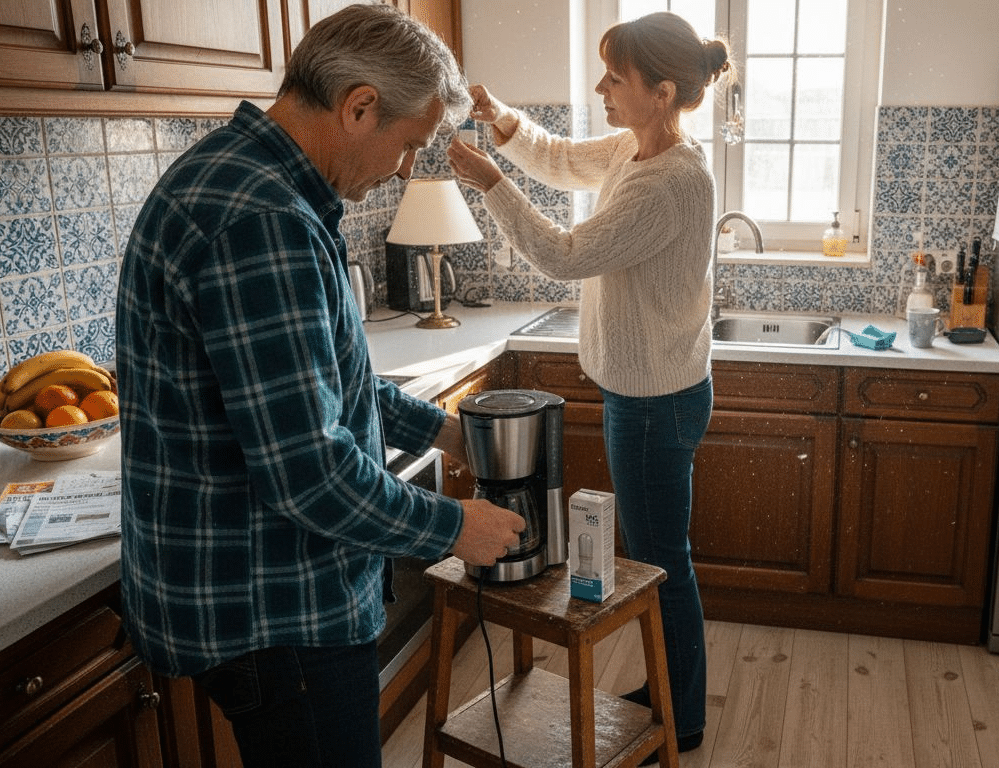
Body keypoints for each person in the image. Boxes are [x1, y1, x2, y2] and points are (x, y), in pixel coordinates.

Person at [115, 6, 524, 767]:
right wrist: (452, 527)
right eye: (408, 144)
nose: (406, 168)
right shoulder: (262, 220)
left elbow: (331, 386)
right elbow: (308, 471)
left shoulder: (260, 183)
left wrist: (443, 431)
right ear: (358, 105)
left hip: (265, 602)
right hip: (277, 616)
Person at [446, 11, 733, 760]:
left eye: (616, 77)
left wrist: (489, 183)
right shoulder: (637, 151)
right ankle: (674, 694)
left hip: (651, 407)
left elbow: (565, 254)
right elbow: (565, 159)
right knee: (659, 553)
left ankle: (684, 717)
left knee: (662, 561)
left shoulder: (666, 183)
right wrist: (502, 120)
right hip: (654, 396)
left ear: (662, 90)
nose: (601, 87)